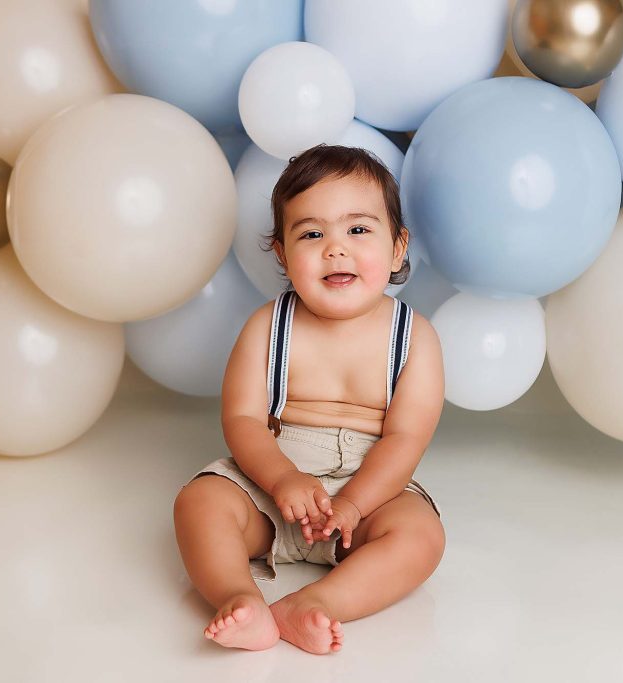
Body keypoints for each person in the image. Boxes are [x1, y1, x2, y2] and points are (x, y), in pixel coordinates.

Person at [173, 144, 445, 655]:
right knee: (200, 501)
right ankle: (240, 598)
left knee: (421, 536)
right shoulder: (267, 327)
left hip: (368, 491)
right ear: (281, 253)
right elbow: (243, 418)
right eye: (313, 233)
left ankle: (316, 602)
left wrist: (354, 502)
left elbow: (406, 438)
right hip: (272, 483)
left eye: (358, 230)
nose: (335, 248)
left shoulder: (414, 338)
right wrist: (282, 479)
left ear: (397, 247)